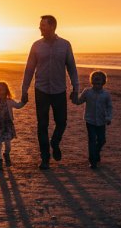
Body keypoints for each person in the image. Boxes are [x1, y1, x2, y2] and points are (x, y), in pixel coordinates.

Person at [21, 15, 79, 170]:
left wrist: (76, 87)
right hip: (41, 90)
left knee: (62, 122)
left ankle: (55, 142)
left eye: (43, 25)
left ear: (52, 26)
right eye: (40, 25)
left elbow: (72, 68)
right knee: (42, 125)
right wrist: (24, 90)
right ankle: (45, 158)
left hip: (59, 90)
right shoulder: (36, 46)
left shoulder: (65, 45)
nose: (40, 28)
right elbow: (29, 70)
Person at [75, 71, 113, 168]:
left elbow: (109, 107)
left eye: (99, 78)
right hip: (90, 120)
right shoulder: (87, 92)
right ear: (91, 81)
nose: (96, 80)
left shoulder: (106, 94)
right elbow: (79, 101)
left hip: (101, 121)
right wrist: (74, 98)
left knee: (102, 140)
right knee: (92, 140)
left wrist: (108, 117)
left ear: (103, 81)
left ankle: (96, 153)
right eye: (94, 78)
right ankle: (92, 161)